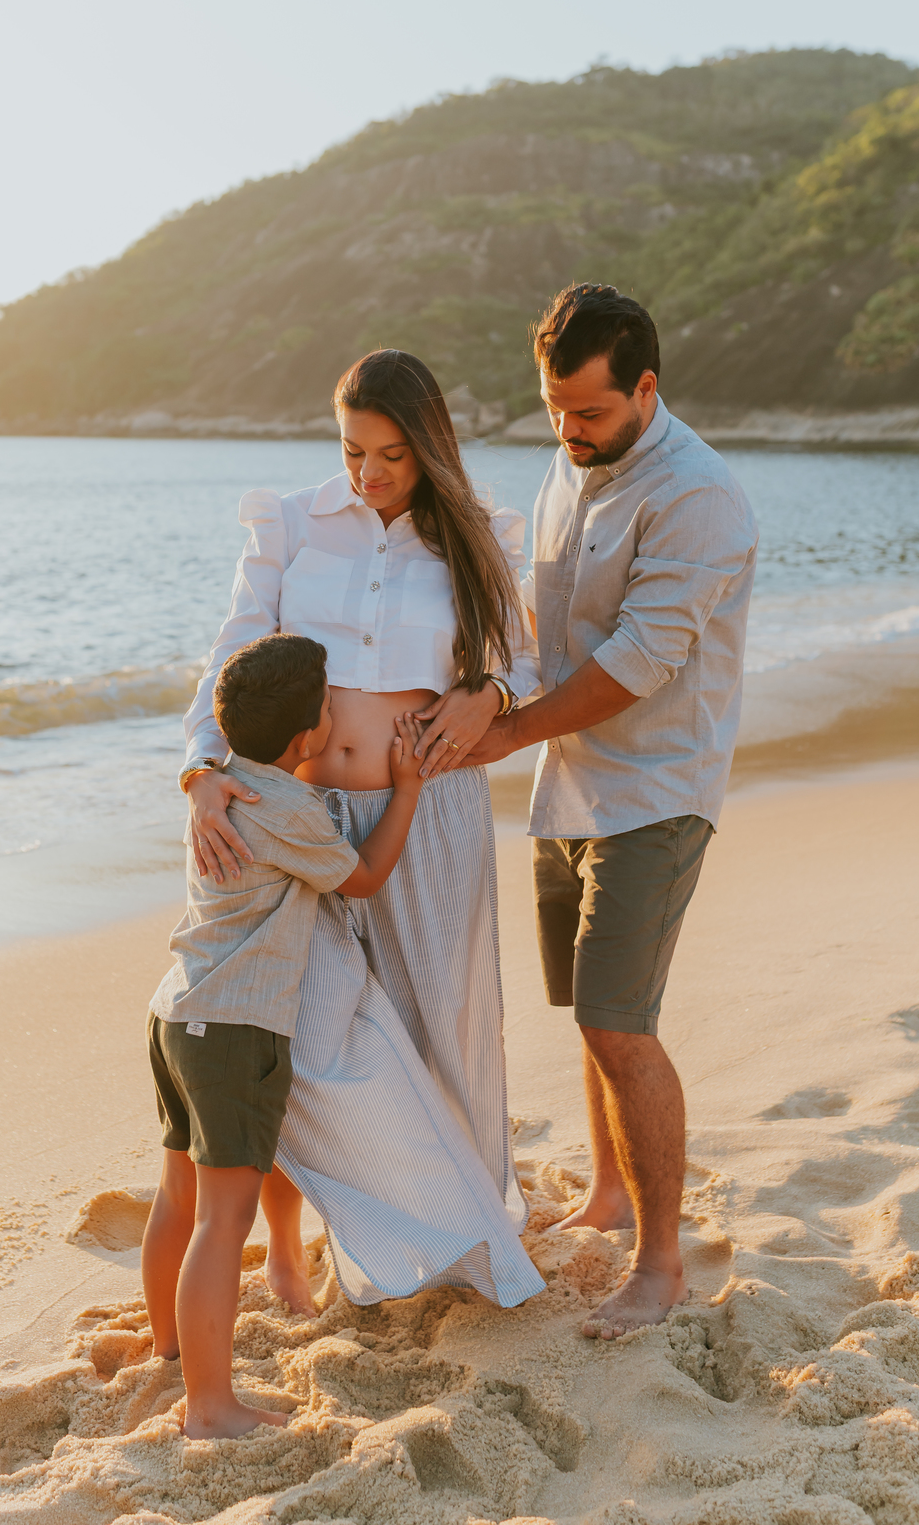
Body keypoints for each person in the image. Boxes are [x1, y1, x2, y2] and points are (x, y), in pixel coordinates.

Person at [179, 350, 544, 1313]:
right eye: (351, 450)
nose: (367, 473)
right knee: (298, 1040)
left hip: (427, 813)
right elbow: (235, 650)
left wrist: (488, 693)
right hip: (298, 822)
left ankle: (462, 1241)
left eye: (390, 454)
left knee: (441, 1025)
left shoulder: (477, 537)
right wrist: (202, 774)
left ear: (429, 446)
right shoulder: (293, 522)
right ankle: (292, 1255)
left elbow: (526, 658)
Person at [460, 284, 758, 1340]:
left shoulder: (699, 497)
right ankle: (610, 1194)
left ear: (646, 387)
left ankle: (661, 1264)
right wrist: (497, 696)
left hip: (657, 790)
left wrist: (511, 729)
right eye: (553, 409)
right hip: (570, 784)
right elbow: (541, 618)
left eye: (588, 412)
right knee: (589, 1015)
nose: (567, 431)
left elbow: (638, 660)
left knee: (618, 1023)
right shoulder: (568, 465)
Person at [141, 632, 427, 1438]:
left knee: (177, 1197)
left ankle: (170, 1352)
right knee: (222, 1223)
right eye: (329, 708)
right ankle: (208, 1404)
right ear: (309, 735)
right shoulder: (294, 811)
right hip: (236, 1031)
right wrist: (404, 790)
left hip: (175, 1014)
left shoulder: (221, 789)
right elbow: (363, 878)